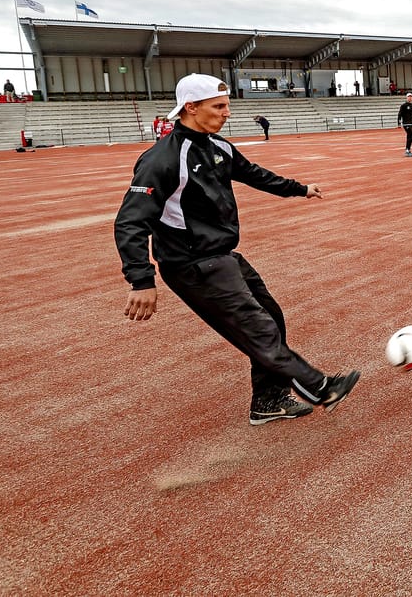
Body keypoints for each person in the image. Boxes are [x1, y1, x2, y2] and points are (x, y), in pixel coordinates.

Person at [114, 73, 359, 425]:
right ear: (191, 107)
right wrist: (141, 280)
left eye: (227, 105)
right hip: (190, 264)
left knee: (271, 316)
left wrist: (300, 188)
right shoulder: (163, 160)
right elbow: (130, 221)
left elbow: (255, 174)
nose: (227, 112)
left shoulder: (219, 147)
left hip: (222, 256)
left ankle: (268, 401)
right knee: (257, 328)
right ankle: (320, 388)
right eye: (219, 106)